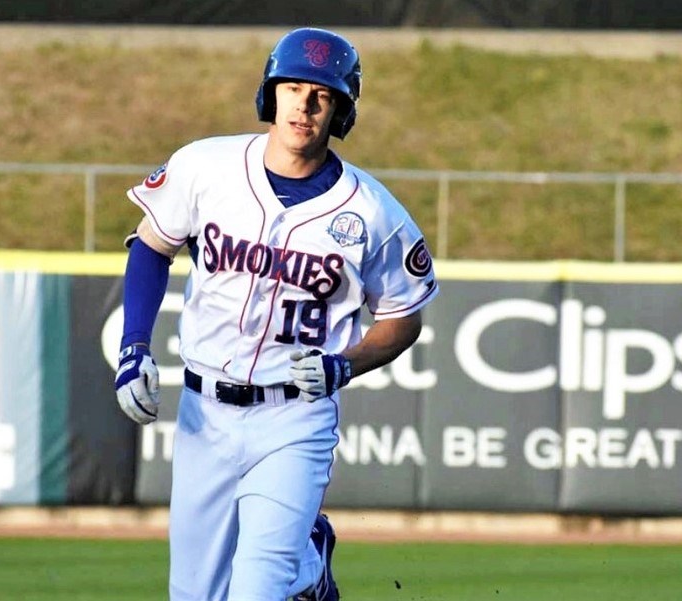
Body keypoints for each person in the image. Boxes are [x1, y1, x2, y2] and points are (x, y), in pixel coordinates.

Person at [114, 27, 439, 601]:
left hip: (295, 418)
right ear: (270, 94)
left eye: (322, 95)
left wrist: (345, 364)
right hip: (203, 413)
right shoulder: (206, 166)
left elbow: (403, 316)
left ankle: (299, 569)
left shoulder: (372, 212)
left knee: (257, 592)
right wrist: (134, 346)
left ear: (340, 109)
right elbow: (151, 245)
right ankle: (306, 567)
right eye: (293, 88)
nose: (304, 105)